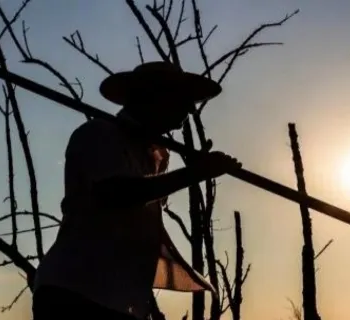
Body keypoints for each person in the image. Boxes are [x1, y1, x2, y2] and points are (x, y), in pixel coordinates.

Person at [32, 61, 242, 320]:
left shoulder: (156, 156)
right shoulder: (99, 134)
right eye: (181, 99)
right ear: (152, 97)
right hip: (76, 293)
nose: (188, 109)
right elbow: (118, 194)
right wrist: (195, 174)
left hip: (121, 301)